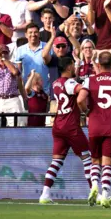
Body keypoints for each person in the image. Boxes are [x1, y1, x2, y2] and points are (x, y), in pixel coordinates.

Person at [77, 52, 111, 208]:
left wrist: (87, 111)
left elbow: (80, 99)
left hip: (94, 124)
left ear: (99, 65)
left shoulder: (90, 80)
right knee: (107, 163)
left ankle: (94, 185)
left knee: (95, 160)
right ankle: (105, 195)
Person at [39, 57, 93, 204]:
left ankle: (45, 194)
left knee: (56, 161)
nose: (75, 68)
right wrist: (86, 109)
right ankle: (95, 191)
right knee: (87, 158)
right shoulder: (70, 82)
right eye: (74, 65)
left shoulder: (56, 83)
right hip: (71, 126)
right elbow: (81, 93)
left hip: (58, 125)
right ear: (69, 67)